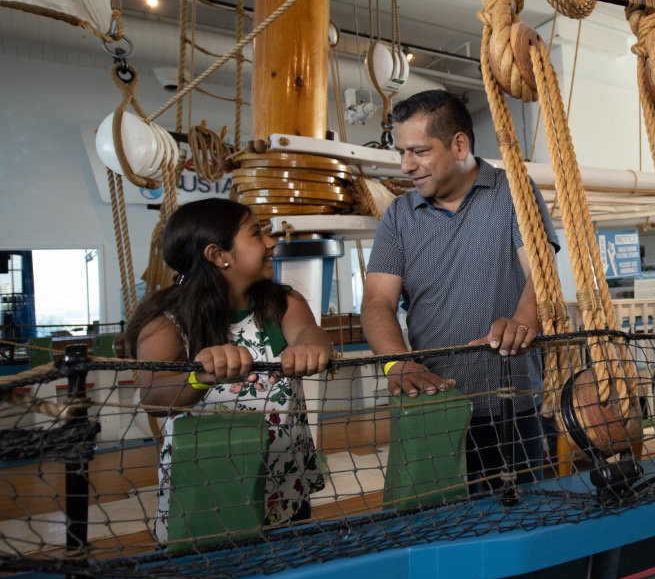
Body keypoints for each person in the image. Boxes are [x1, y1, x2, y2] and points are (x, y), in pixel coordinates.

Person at [361, 89, 559, 493]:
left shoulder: (514, 194)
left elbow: (541, 273)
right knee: (435, 528)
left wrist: (523, 321)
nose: (405, 165)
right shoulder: (399, 217)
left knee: (520, 523)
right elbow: (377, 303)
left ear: (459, 145)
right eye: (401, 152)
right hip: (432, 411)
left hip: (512, 407)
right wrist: (396, 364)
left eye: (418, 151)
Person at [127, 198, 329, 541]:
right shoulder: (164, 321)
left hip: (284, 490)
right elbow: (154, 395)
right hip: (207, 493)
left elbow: (311, 333)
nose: (271, 241)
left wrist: (311, 347)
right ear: (218, 255)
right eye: (256, 234)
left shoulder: (281, 302)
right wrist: (198, 376)